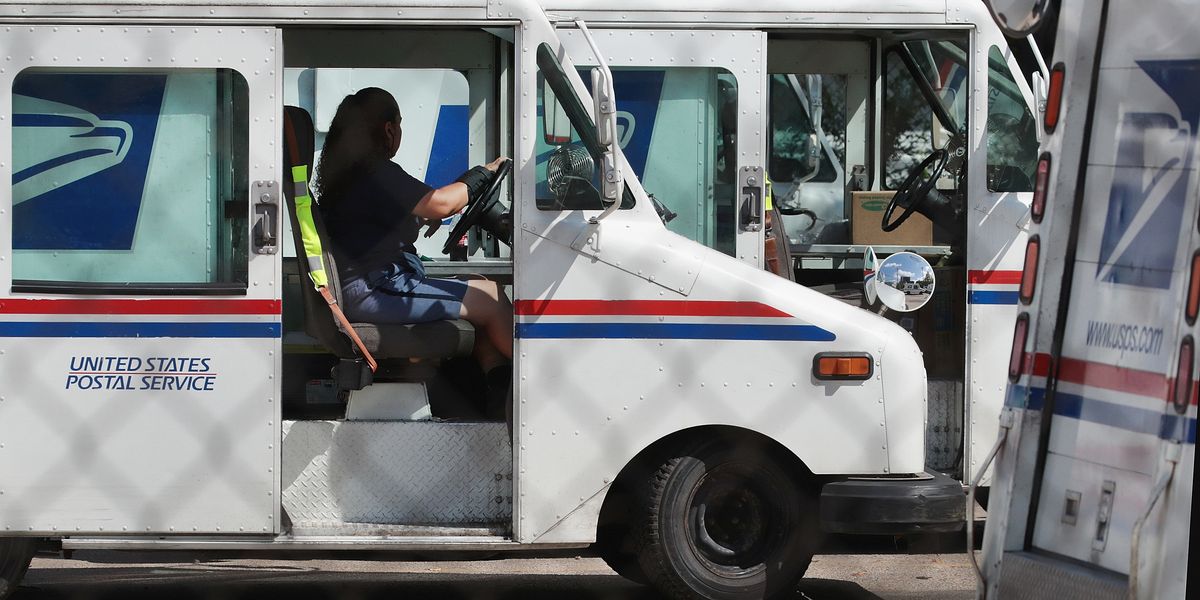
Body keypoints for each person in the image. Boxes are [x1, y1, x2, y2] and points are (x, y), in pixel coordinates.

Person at [313, 87, 512, 401]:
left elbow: (397, 216)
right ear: (389, 128)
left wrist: (425, 213)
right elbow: (441, 203)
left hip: (371, 284)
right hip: (374, 289)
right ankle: (538, 383)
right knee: (493, 298)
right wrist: (483, 175)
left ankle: (497, 378)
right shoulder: (376, 171)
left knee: (481, 284)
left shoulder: (352, 173)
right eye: (400, 124)